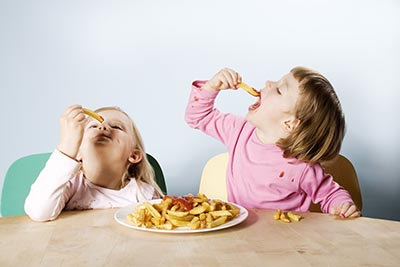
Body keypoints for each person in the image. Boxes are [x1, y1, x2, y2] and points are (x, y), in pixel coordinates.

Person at [185, 67, 361, 218]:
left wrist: (342, 206)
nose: (269, 82)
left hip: (285, 244)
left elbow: (331, 194)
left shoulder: (301, 166)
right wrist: (211, 87)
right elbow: (198, 117)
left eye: (279, 90)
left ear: (289, 123)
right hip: (240, 236)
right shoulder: (238, 131)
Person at [25, 105, 163, 221]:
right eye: (93, 126)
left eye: (116, 126)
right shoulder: (71, 186)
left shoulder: (144, 194)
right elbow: (39, 212)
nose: (102, 127)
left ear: (133, 155)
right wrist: (67, 147)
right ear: (78, 152)